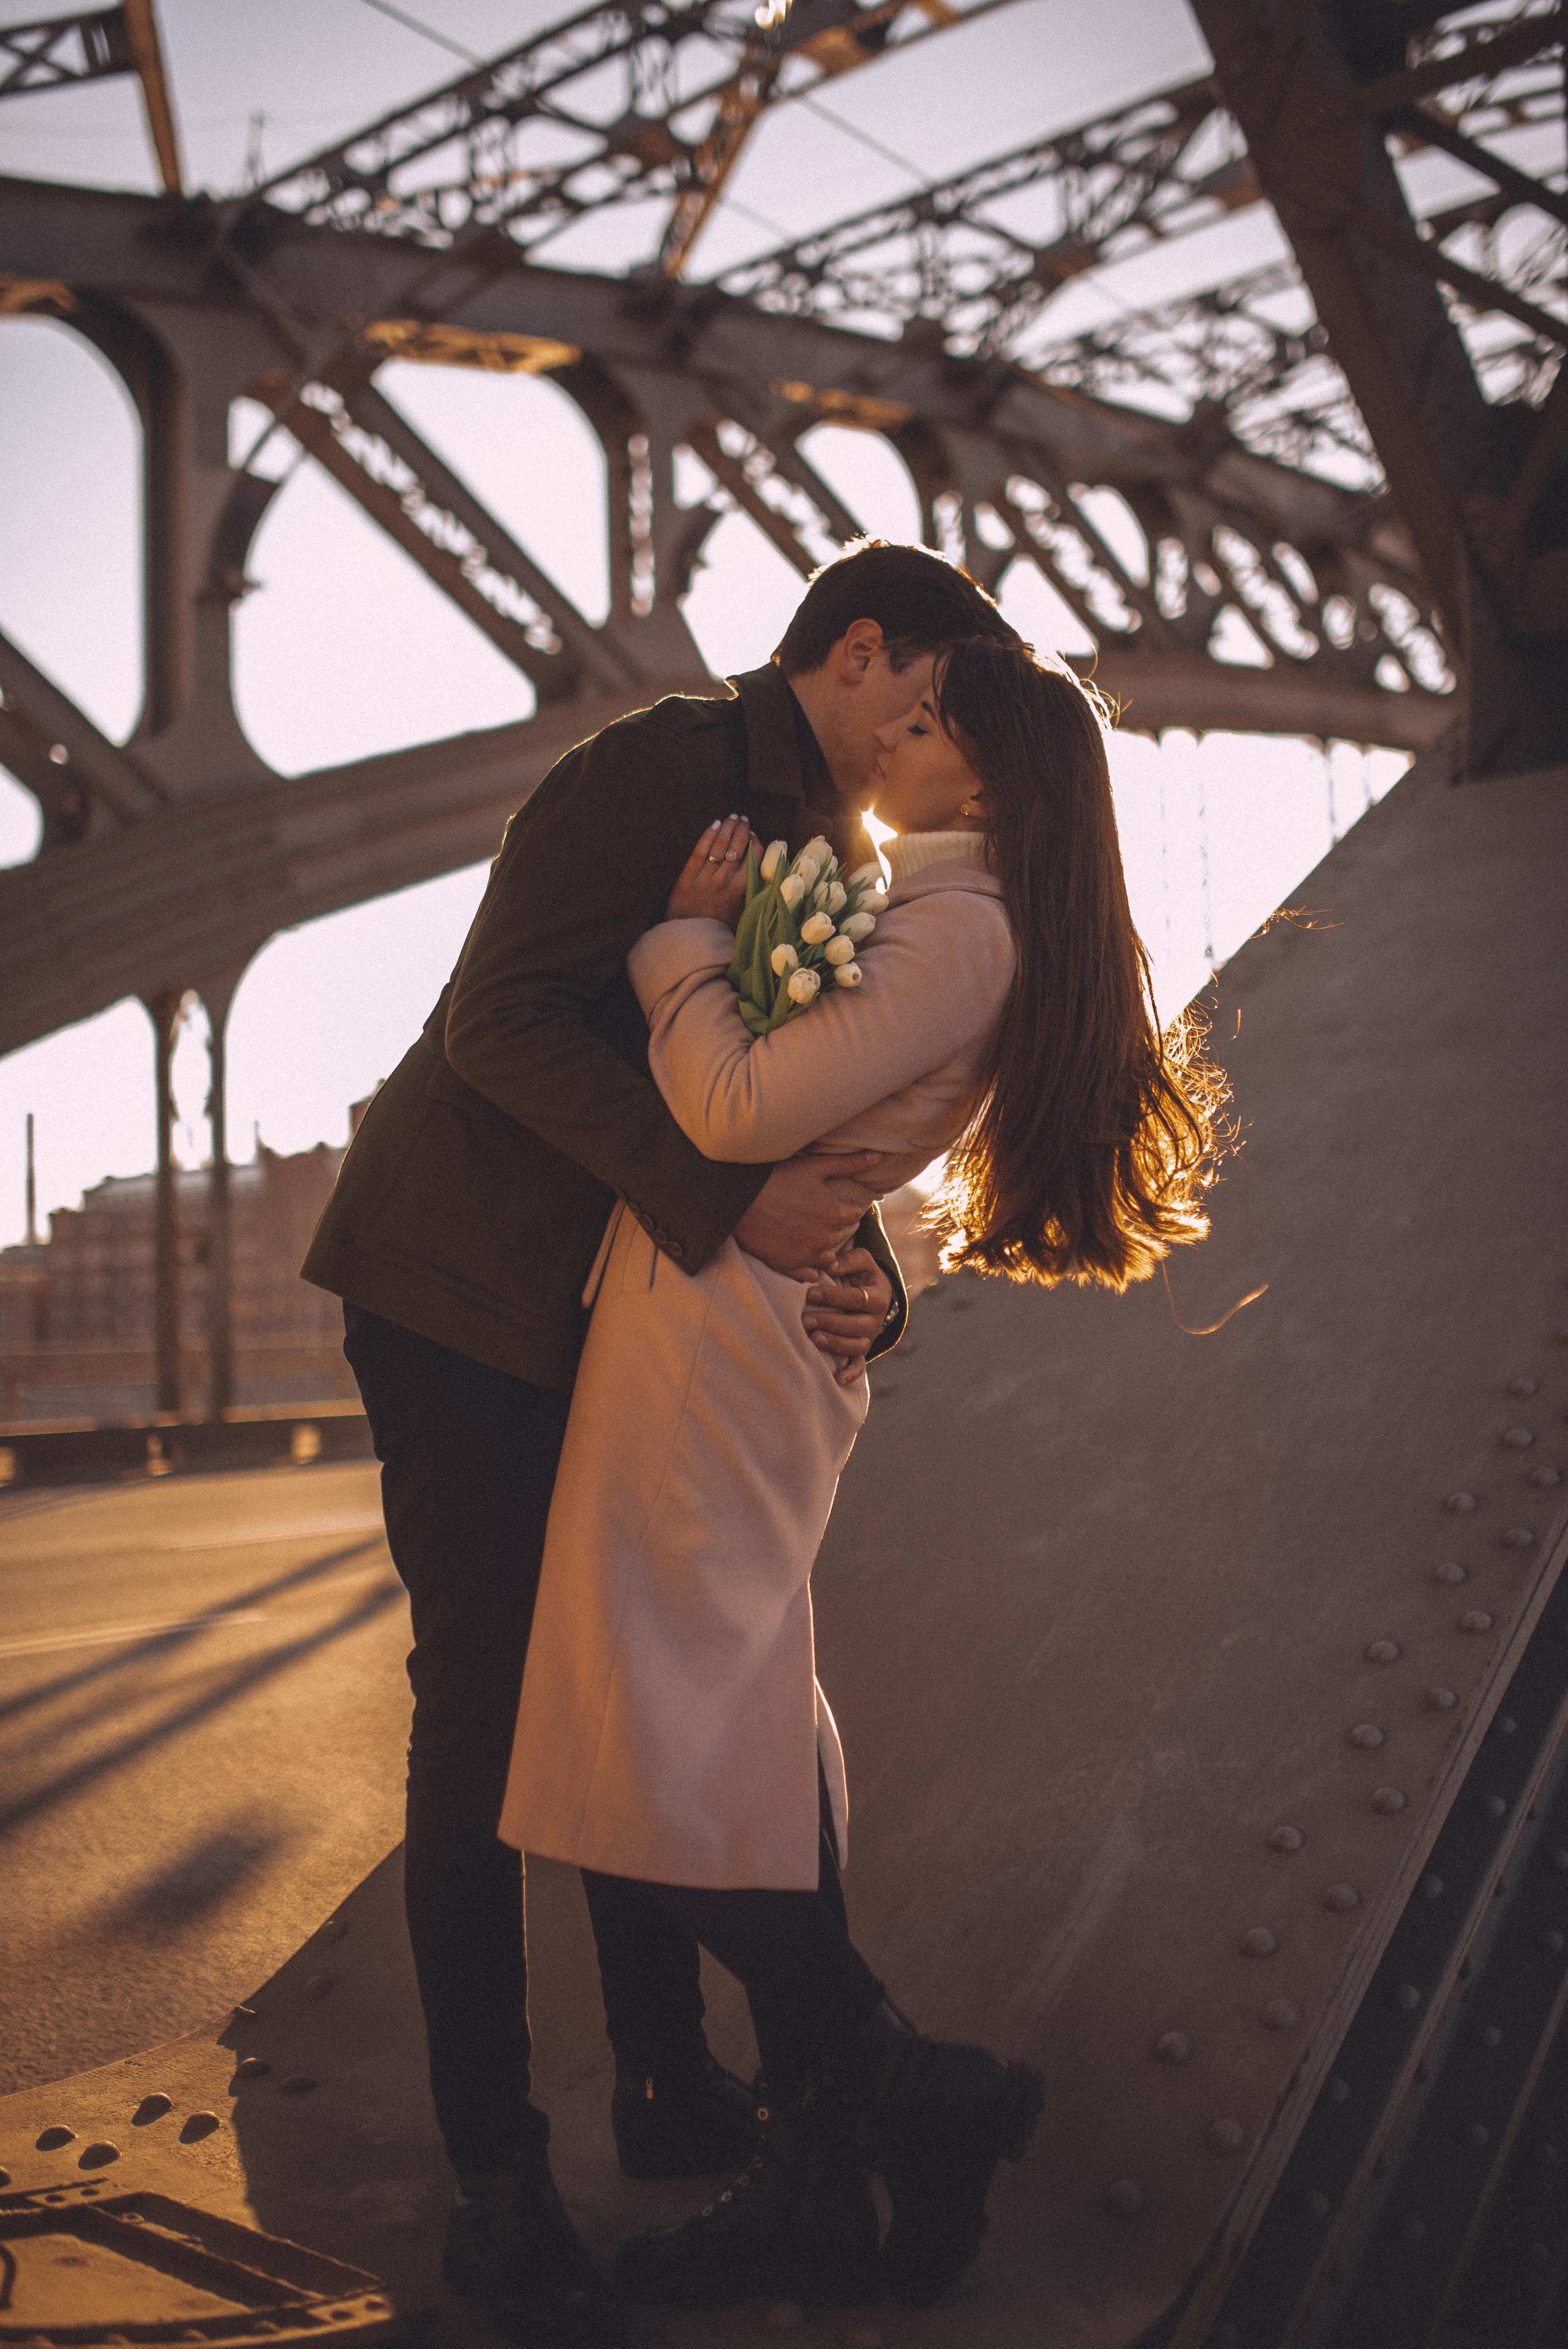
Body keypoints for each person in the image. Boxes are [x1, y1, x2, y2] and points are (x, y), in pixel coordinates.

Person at [301, 543, 1024, 2348]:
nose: (925, 736)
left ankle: (670, 2083)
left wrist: (867, 1276)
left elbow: (798, 1118)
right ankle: (501, 2185)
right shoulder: (657, 770)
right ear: (858, 651)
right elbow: (496, 1022)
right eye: (923, 697)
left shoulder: (834, 846)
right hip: (464, 1296)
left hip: (613, 1320)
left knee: (628, 1697)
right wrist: (725, 1198)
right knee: (483, 1719)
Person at [502, 637, 1227, 2313]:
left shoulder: (962, 929)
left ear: (987, 770)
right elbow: (817, 1125)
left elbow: (734, 1107)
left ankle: (913, 2094)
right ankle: (827, 2174)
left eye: (926, 720)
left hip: (718, 1342)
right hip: (729, 1327)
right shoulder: (949, 914)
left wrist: (684, 944)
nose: (892, 736)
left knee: (654, 1761)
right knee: (729, 1751)